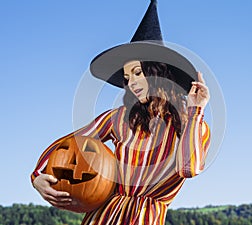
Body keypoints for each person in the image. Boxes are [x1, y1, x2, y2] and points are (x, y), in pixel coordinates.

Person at [31, 59, 210, 224]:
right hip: (102, 216)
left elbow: (188, 169)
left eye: (138, 73)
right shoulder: (119, 118)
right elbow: (69, 144)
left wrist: (196, 110)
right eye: (127, 78)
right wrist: (37, 176)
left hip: (146, 218)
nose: (131, 83)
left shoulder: (193, 124)